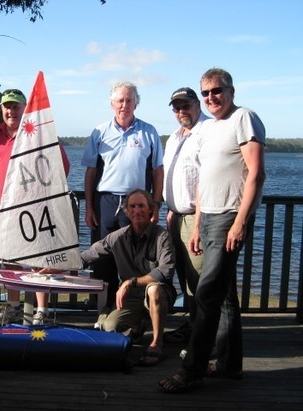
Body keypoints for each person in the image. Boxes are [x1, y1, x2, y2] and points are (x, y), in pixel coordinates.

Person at [159, 68, 266, 393]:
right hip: (209, 218)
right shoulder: (207, 131)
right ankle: (230, 366)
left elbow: (256, 174)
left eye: (216, 91)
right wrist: (198, 225)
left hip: (229, 218)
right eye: (206, 93)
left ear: (231, 90)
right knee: (224, 296)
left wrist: (240, 222)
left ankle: (191, 370)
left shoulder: (244, 118)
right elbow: (204, 182)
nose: (211, 98)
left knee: (205, 295)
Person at [0, 89, 71, 326]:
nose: (11, 111)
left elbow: (63, 167)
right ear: (2, 109)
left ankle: (40, 311)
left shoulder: (41, 133)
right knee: (10, 259)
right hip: (5, 209)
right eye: (7, 106)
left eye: (16, 106)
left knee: (39, 258)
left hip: (35, 207)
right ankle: (13, 308)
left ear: (25, 109)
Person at [82, 81, 164, 311]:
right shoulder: (100, 132)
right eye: (120, 100)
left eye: (129, 100)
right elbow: (91, 171)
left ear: (136, 103)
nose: (124, 105)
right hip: (105, 202)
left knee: (135, 259)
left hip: (136, 204)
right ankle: (103, 311)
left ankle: (132, 313)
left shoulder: (149, 132)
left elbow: (158, 171)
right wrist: (89, 206)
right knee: (102, 258)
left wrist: (155, 204)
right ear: (112, 103)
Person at [77, 188, 176, 366]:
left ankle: (156, 342)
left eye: (141, 206)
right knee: (110, 327)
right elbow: (88, 255)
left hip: (159, 294)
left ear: (150, 210)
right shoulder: (117, 237)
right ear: (127, 211)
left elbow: (166, 271)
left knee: (153, 289)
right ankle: (135, 325)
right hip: (131, 297)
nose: (137, 210)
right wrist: (57, 267)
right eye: (133, 206)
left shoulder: (162, 236)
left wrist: (131, 282)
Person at [162, 87, 209, 343]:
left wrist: (199, 225)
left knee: (200, 279)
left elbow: (207, 181)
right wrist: (170, 209)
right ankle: (193, 326)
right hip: (176, 217)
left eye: (186, 105)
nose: (181, 111)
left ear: (197, 105)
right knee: (185, 276)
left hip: (195, 218)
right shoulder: (175, 137)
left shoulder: (206, 133)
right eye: (177, 107)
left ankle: (205, 337)